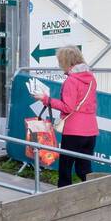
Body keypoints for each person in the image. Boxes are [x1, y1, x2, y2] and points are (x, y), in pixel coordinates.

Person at [33, 46, 98, 188]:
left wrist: (45, 99)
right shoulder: (91, 78)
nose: (59, 64)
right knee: (84, 168)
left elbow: (68, 107)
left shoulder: (71, 81)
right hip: (91, 130)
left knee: (65, 168)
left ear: (66, 62)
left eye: (60, 61)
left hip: (74, 130)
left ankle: (62, 197)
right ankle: (95, 192)